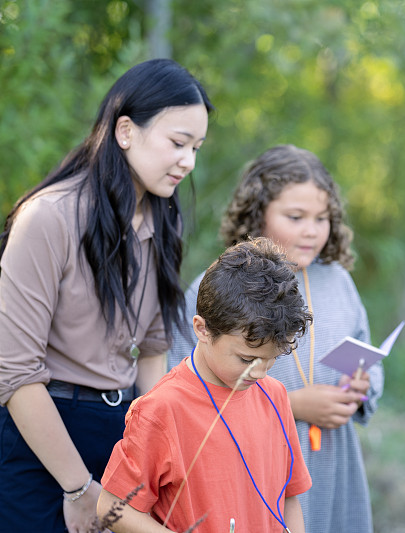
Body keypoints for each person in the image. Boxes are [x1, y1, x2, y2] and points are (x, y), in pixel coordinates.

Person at [0, 58, 212, 533]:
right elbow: (13, 373)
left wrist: (160, 452)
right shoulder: (47, 218)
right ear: (125, 131)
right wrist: (78, 488)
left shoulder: (162, 220)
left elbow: (153, 350)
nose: (189, 161)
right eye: (178, 143)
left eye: (196, 147)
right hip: (44, 443)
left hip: (121, 437)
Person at [168, 144, 382, 532]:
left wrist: (362, 386)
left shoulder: (339, 283)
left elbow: (365, 353)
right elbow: (185, 391)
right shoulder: (218, 287)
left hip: (334, 460)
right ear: (257, 214)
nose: (311, 230)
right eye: (295, 216)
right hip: (255, 460)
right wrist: (293, 406)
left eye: (322, 218)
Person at [98, 237, 313, 532]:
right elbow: (111, 508)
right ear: (202, 329)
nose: (260, 373)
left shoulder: (275, 395)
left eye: (271, 359)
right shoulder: (160, 409)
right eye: (247, 358)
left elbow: (289, 498)